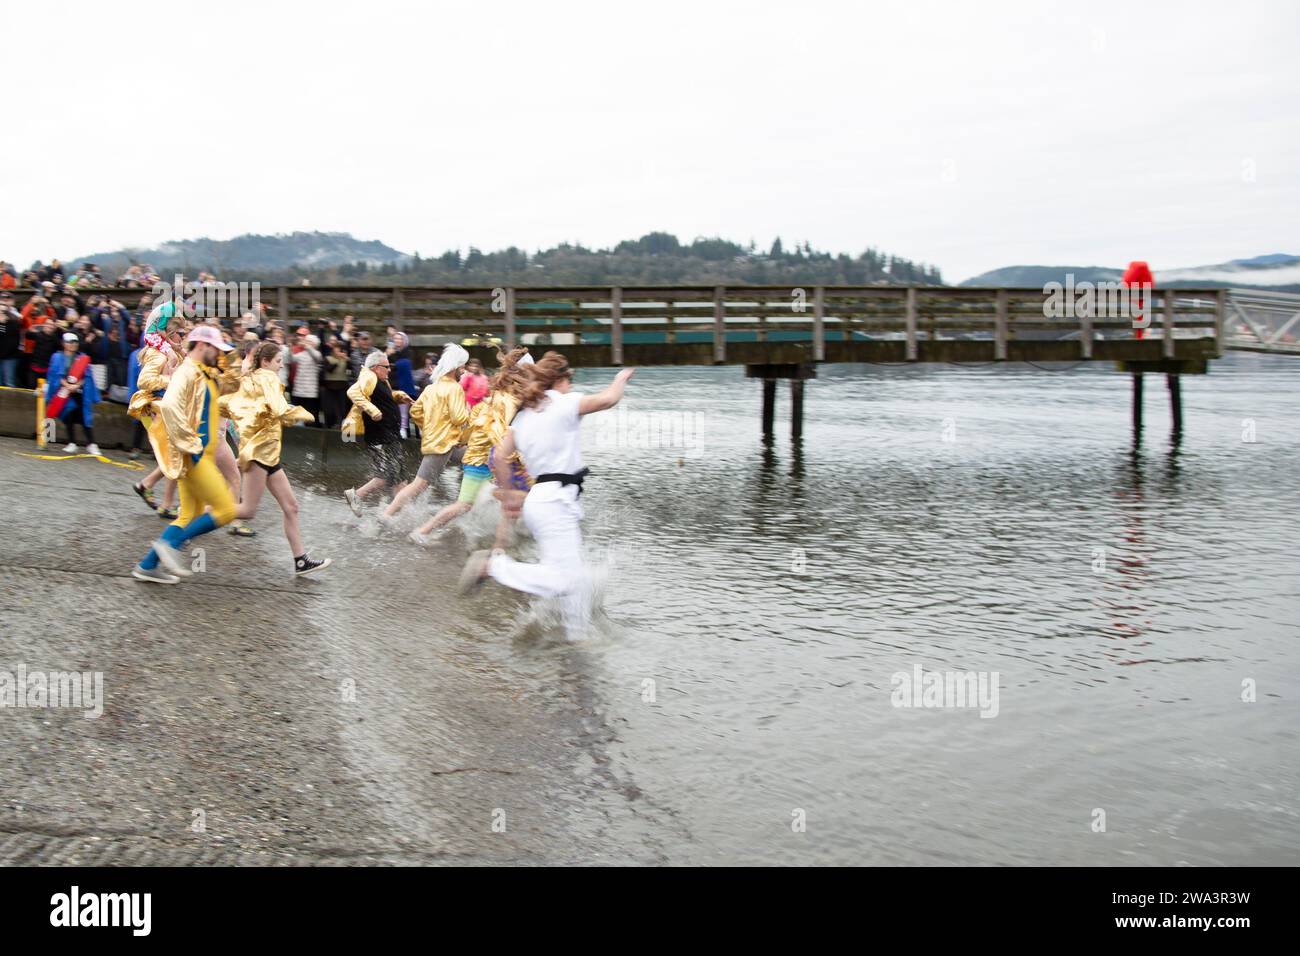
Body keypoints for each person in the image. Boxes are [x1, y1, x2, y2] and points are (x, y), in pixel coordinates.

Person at [459, 354, 635, 640]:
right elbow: (608, 400)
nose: (570, 387)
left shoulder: (524, 417)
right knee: (565, 579)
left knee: (574, 578)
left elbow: (500, 456)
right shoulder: (564, 402)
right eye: (570, 381)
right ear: (561, 380)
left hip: (542, 499)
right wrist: (620, 378)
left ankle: (576, 637)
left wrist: (508, 494)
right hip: (556, 502)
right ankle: (495, 567)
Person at [131, 326, 240, 585]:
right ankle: (171, 545)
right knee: (226, 509)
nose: (219, 355)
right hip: (195, 456)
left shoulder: (205, 372)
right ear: (202, 346)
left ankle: (147, 566)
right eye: (215, 349)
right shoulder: (188, 371)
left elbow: (233, 383)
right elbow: (169, 405)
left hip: (196, 455)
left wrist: (228, 356)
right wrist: (189, 445)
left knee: (188, 514)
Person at [221, 342, 330, 575]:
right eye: (279, 361)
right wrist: (304, 413)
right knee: (247, 510)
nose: (281, 366)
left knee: (291, 506)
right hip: (260, 452)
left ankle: (301, 560)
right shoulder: (267, 378)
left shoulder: (255, 378)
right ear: (265, 361)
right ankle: (191, 516)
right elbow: (281, 410)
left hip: (268, 453)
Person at [410, 347, 530, 546]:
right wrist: (514, 456)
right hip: (485, 458)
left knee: (492, 501)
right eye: (529, 376)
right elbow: (497, 430)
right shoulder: (508, 400)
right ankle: (423, 531)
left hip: (482, 455)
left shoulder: (498, 394)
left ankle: (512, 535)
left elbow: (477, 420)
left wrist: (465, 439)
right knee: (465, 504)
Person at [376, 344, 469, 521]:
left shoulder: (431, 388)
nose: (464, 372)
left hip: (445, 443)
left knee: (479, 458)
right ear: (455, 367)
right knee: (418, 485)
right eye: (463, 367)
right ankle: (386, 515)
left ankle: (481, 496)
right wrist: (468, 410)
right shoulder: (455, 388)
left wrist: (429, 429)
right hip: (443, 446)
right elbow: (459, 418)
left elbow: (415, 412)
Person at [341, 351, 414, 513]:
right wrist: (372, 410)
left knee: (394, 476)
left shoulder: (378, 380)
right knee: (391, 476)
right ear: (375, 367)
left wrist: (398, 396)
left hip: (388, 435)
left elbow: (382, 398)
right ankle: (398, 513)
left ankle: (399, 511)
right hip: (381, 436)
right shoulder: (369, 377)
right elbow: (352, 392)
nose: (389, 369)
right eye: (386, 366)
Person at [46, 332, 102, 455]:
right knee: (68, 416)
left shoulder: (82, 357)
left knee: (85, 418)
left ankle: (91, 444)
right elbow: (54, 374)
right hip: (63, 391)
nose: (72, 345)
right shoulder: (57, 357)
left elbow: (87, 376)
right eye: (70, 342)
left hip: (80, 392)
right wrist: (67, 385)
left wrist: (76, 385)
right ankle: (72, 442)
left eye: (75, 342)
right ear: (64, 343)